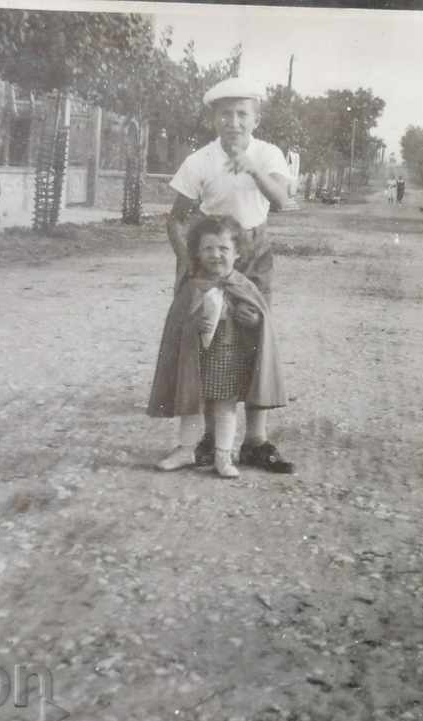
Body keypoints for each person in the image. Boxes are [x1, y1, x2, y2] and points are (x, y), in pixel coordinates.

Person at [158, 76, 295, 474]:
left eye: (241, 114)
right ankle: (207, 439)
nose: (233, 122)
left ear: (255, 119)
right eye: (224, 114)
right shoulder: (199, 160)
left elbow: (282, 201)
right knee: (208, 340)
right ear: (212, 119)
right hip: (212, 256)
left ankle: (256, 441)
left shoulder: (268, 154)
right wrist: (188, 262)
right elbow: (176, 218)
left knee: (254, 335)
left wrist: (252, 169)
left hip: (253, 252)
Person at [148, 216, 286, 479]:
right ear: (197, 253)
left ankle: (223, 455)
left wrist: (253, 321)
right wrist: (193, 323)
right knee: (191, 404)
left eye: (223, 249)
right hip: (195, 358)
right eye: (208, 248)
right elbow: (178, 323)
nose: (215, 255)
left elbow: (261, 323)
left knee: (225, 406)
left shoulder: (244, 286)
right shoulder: (192, 287)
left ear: (237, 253)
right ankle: (186, 449)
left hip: (228, 359)